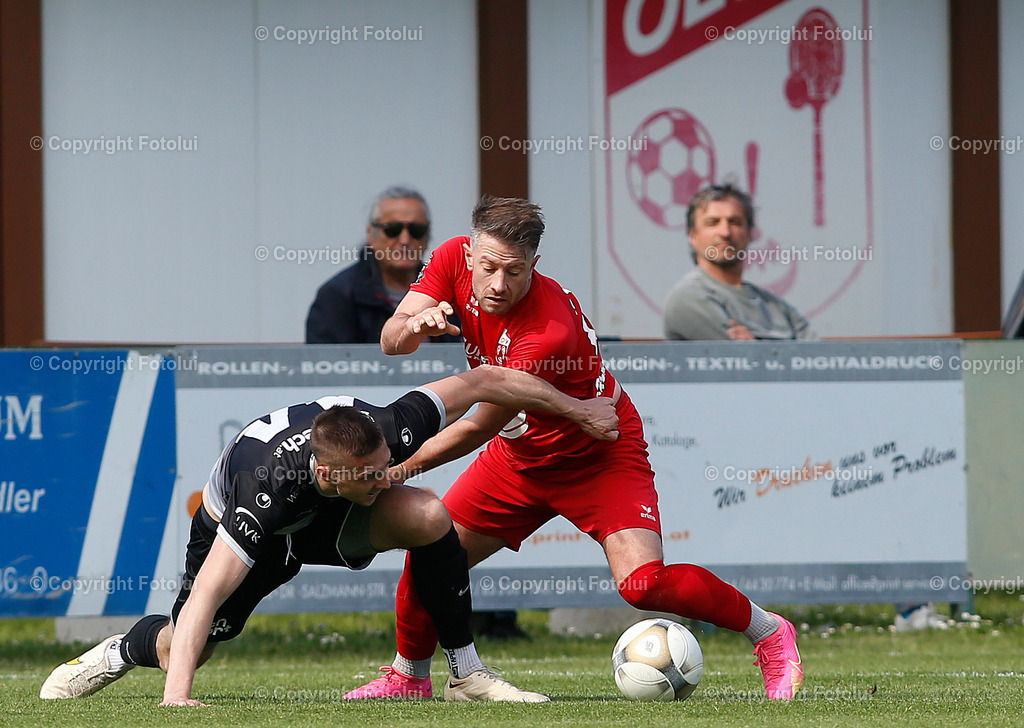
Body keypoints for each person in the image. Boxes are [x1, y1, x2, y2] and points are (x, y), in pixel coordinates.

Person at [344, 196, 804, 701]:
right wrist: (413, 327)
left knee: (643, 585)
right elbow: (391, 340)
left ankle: (769, 633)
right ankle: (409, 677)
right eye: (491, 267)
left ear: (534, 266)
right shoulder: (450, 256)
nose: (499, 285)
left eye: (515, 272)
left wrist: (400, 469)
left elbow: (477, 426)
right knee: (431, 550)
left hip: (597, 454)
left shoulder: (548, 331)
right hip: (520, 458)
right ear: (470, 252)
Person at [39, 365, 619, 706]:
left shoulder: (388, 431)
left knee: (428, 514)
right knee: (186, 648)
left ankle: (465, 671)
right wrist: (177, 700)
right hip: (263, 533)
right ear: (324, 472)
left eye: (384, 465)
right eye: (370, 476)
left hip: (330, 518)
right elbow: (206, 594)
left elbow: (483, 380)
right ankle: (122, 648)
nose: (384, 478)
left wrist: (576, 408)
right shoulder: (264, 491)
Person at [305, 185, 460, 344]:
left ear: (428, 237)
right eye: (392, 229)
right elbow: (323, 362)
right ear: (371, 235)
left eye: (416, 230)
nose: (405, 240)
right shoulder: (337, 296)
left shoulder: (453, 292)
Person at [663, 184, 817, 341]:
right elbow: (740, 360)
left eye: (734, 222)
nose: (725, 232)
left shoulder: (776, 306)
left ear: (750, 234)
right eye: (713, 222)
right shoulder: (688, 298)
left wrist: (755, 345)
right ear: (693, 236)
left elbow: (820, 359)